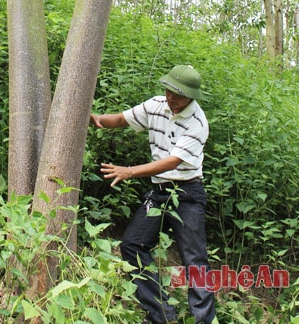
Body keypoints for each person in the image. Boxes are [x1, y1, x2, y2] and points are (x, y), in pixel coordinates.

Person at [90, 65, 216, 324]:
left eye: (178, 95)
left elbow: (172, 162)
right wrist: (97, 118)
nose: (171, 98)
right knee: (132, 245)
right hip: (159, 192)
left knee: (194, 260)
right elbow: (122, 119)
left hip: (187, 193)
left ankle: (203, 320)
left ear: (192, 96)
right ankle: (162, 315)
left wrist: (129, 171)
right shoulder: (156, 105)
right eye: (169, 91)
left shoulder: (197, 122)